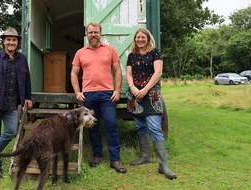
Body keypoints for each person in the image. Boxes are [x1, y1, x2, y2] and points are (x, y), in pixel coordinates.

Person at [70, 22, 126, 174]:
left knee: (111, 125)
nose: (93, 35)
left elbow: (118, 71)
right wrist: (77, 92)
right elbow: (74, 74)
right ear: (86, 34)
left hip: (107, 93)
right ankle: (97, 156)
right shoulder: (80, 52)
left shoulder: (110, 50)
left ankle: (115, 159)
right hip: (89, 94)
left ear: (101, 33)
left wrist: (117, 89)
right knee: (92, 127)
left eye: (96, 32)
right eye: (90, 32)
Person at [0, 28, 33, 179]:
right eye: (8, 39)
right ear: (3, 41)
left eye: (14, 40)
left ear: (18, 42)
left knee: (11, 131)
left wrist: (27, 97)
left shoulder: (22, 59)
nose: (11, 42)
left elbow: (27, 79)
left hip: (12, 105)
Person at [125, 28, 177, 179]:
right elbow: (128, 74)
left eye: (143, 37)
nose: (140, 40)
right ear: (135, 39)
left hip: (151, 95)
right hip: (135, 95)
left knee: (154, 127)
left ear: (148, 38)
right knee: (140, 126)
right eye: (137, 37)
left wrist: (146, 89)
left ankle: (163, 166)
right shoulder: (131, 56)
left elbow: (158, 72)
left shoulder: (155, 52)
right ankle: (145, 157)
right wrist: (133, 88)